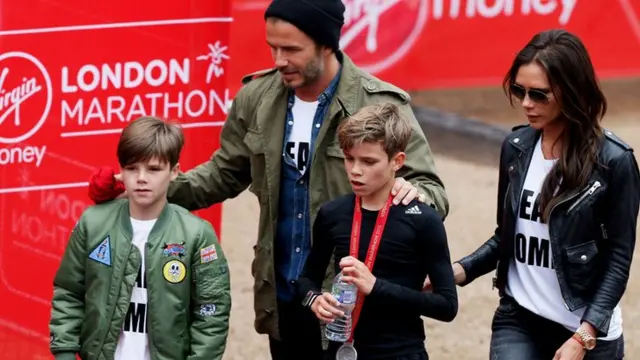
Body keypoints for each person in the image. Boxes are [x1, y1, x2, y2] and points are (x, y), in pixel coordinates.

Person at [86, 0, 449, 358]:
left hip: (354, 306)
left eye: (291, 49)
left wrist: (410, 193)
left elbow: (432, 191)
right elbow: (223, 174)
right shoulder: (256, 97)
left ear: (326, 45)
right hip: (284, 294)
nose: (278, 61)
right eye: (272, 48)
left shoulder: (379, 105)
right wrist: (140, 189)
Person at [424, 29, 640, 359]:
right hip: (520, 319)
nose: (526, 103)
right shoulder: (516, 148)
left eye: (539, 94)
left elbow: (618, 260)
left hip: (587, 329)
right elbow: (507, 236)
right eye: (518, 90)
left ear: (571, 92)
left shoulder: (614, 161)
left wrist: (584, 336)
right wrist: (459, 270)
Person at [50, 116, 231, 360]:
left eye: (154, 169)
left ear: (174, 171)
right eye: (132, 168)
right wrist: (64, 353)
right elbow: (69, 292)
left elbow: (211, 312)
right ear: (120, 171)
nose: (142, 177)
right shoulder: (93, 223)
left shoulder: (197, 234)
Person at [296, 103, 458, 360]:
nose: (355, 170)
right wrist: (314, 299)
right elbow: (306, 279)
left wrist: (376, 287)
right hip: (340, 351)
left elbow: (447, 306)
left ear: (397, 161)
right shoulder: (332, 213)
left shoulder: (423, 219)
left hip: (401, 353)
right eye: (349, 159)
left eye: (369, 161)